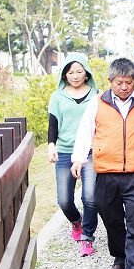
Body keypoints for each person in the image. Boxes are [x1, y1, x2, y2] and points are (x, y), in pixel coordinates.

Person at [71, 58, 134, 269]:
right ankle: (120, 257)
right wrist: (78, 159)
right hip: (106, 174)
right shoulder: (97, 103)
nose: (124, 87)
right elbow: (85, 132)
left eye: (129, 82)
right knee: (112, 220)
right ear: (110, 81)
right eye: (119, 83)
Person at [47, 54, 99, 257]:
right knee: (64, 201)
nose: (75, 76)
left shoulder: (96, 94)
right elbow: (53, 124)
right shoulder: (57, 97)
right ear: (64, 75)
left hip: (90, 152)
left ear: (86, 73)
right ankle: (76, 221)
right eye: (70, 72)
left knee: (90, 197)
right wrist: (51, 145)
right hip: (65, 152)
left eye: (79, 71)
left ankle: (87, 237)